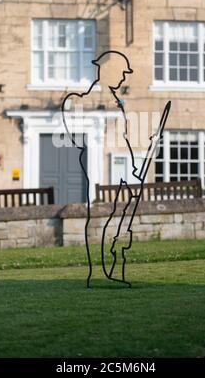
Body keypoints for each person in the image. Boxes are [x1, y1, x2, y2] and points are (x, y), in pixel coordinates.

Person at [62, 51, 143, 287]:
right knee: (97, 220)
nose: (122, 78)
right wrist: (80, 148)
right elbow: (71, 130)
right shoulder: (77, 99)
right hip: (95, 171)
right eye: (120, 72)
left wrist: (134, 164)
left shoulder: (117, 101)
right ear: (105, 70)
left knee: (119, 221)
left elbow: (124, 137)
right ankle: (95, 272)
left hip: (122, 175)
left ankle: (111, 268)